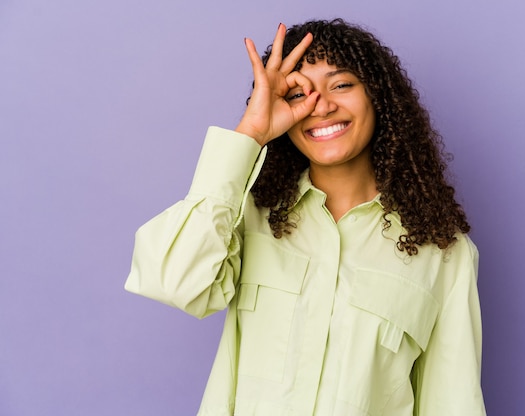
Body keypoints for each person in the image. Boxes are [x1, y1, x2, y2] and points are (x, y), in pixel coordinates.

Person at [125, 18, 486, 416]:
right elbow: (173, 282)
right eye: (299, 92)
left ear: (378, 97)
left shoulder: (444, 253)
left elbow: (452, 403)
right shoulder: (245, 217)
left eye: (342, 85)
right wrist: (251, 133)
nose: (322, 105)